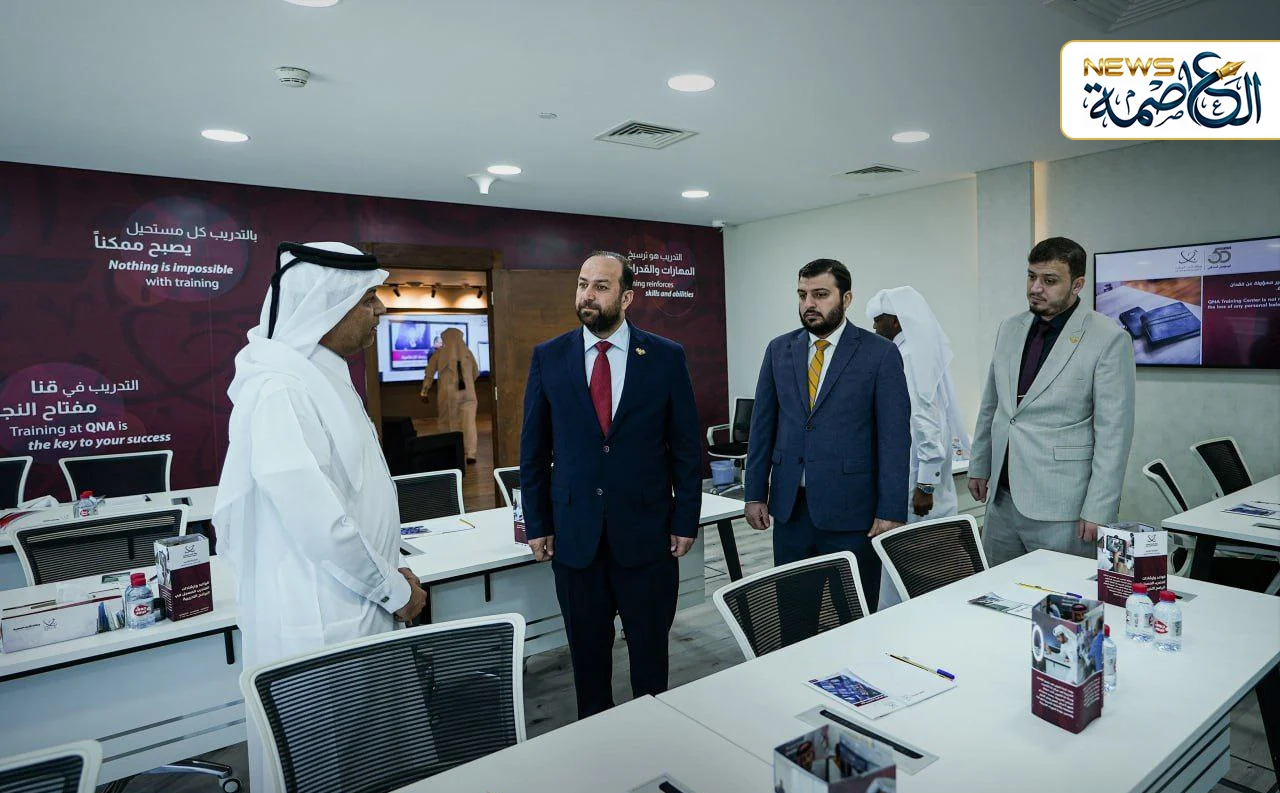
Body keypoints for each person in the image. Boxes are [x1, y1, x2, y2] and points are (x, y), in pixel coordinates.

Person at [212, 241, 428, 793]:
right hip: (322, 614)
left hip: (360, 599)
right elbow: (320, 523)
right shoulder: (281, 390)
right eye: (368, 300)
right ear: (326, 307)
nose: (380, 310)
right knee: (328, 766)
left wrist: (387, 578)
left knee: (372, 761)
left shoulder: (319, 375)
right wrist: (393, 589)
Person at [519, 251, 701, 719]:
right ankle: (597, 744)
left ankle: (651, 736)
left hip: (647, 537)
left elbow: (685, 447)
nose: (588, 295)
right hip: (575, 539)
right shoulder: (549, 357)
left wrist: (686, 519)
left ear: (627, 297)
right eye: (583, 284)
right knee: (588, 663)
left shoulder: (665, 357)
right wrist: (537, 523)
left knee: (650, 661)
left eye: (601, 286)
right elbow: (533, 452)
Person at [744, 258, 911, 611]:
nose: (809, 303)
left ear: (846, 298)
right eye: (802, 295)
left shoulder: (880, 353)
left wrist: (891, 509)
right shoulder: (779, 350)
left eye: (820, 294)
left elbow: (894, 439)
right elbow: (762, 427)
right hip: (790, 511)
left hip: (853, 513)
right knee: (794, 615)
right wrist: (755, 492)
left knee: (854, 615)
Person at [968, 236, 1136, 567]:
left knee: (1062, 594)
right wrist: (979, 464)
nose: (1036, 288)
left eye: (1049, 281)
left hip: (1062, 506)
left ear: (1077, 284)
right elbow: (993, 405)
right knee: (997, 589)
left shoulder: (1108, 338)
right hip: (1001, 500)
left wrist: (1099, 508)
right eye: (1032, 277)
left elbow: (1114, 434)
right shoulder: (1010, 328)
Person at [866, 286, 971, 609]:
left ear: (896, 321)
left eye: (878, 320)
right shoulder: (916, 351)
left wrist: (925, 484)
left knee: (917, 560)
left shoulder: (907, 356)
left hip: (916, 480)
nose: (874, 327)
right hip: (918, 472)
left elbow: (924, 421)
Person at [420, 326, 480, 463]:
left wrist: (424, 392)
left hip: (448, 393)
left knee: (448, 422)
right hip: (469, 393)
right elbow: (476, 373)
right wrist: (467, 383)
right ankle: (471, 454)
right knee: (469, 423)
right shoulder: (468, 353)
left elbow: (429, 374)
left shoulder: (439, 354)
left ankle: (452, 451)